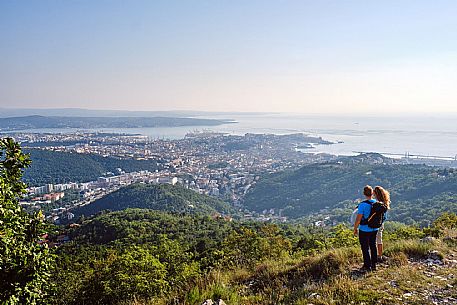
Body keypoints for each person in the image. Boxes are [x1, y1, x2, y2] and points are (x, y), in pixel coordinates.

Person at [353, 185, 378, 272]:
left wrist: (355, 228)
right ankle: (374, 264)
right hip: (375, 229)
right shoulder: (377, 203)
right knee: (373, 245)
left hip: (364, 229)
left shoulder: (362, 205)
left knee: (365, 247)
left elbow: (358, 219)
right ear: (372, 193)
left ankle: (367, 266)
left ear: (364, 194)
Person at [373, 186, 391, 262]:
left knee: (372, 241)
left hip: (374, 223)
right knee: (379, 240)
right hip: (381, 223)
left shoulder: (376, 203)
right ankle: (379, 256)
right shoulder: (385, 202)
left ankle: (373, 256)